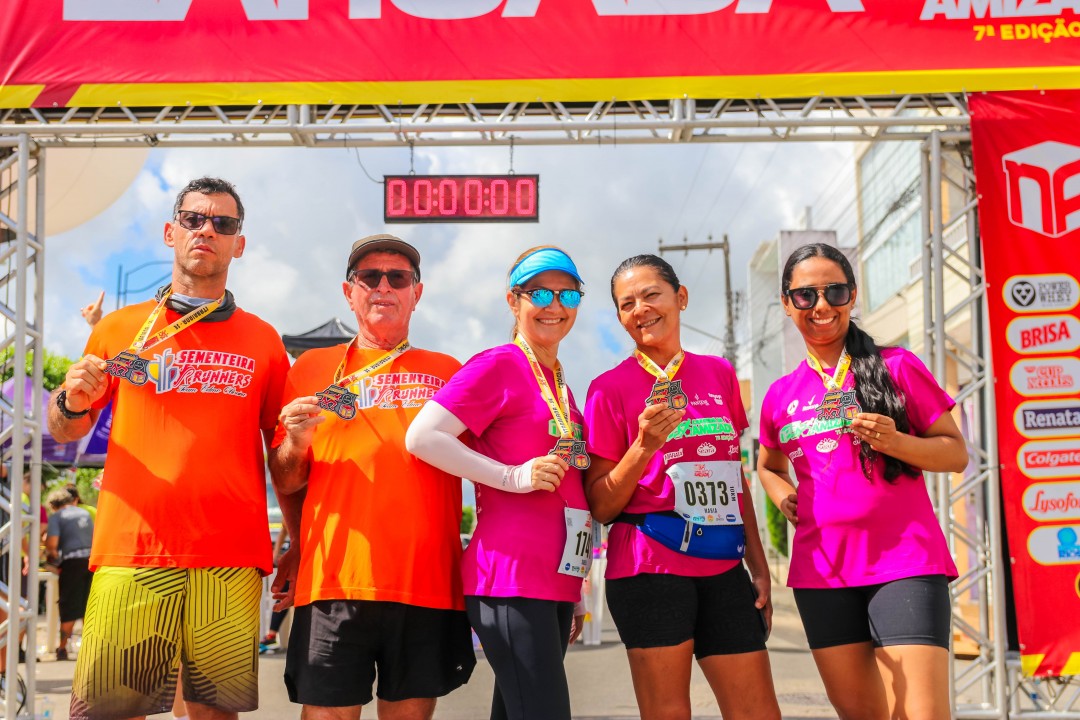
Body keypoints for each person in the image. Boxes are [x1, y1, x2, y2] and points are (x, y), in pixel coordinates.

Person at [47, 176, 290, 720]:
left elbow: (283, 454)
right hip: (131, 551)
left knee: (213, 714)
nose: (207, 230)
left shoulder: (264, 340)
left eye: (223, 223)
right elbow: (65, 429)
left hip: (229, 554)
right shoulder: (118, 328)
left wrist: (296, 538)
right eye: (193, 219)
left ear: (239, 243)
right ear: (169, 232)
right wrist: (69, 401)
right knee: (109, 712)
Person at [756, 243, 966, 720]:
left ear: (852, 295)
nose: (822, 305)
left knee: (921, 715)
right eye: (806, 295)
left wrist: (895, 441)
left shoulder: (898, 366)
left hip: (904, 563)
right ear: (787, 303)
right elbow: (768, 466)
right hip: (822, 572)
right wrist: (784, 497)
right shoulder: (780, 395)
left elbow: (955, 454)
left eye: (835, 291)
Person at [270, 233, 475, 720]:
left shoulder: (450, 371)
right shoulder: (311, 368)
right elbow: (287, 479)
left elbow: (487, 470)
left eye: (397, 277)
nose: (384, 286)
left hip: (425, 580)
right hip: (334, 580)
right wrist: (295, 442)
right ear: (350, 292)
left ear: (416, 293)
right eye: (369, 277)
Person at [582, 254, 780, 720]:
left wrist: (758, 564)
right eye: (627, 303)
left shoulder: (719, 373)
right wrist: (644, 446)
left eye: (651, 294)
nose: (641, 309)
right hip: (648, 566)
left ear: (681, 297)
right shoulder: (607, 389)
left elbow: (735, 477)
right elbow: (601, 505)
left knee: (758, 712)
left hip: (722, 564)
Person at [407, 245, 590, 720]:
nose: (555, 305)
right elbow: (422, 437)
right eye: (540, 293)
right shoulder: (499, 364)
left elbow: (570, 491)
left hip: (555, 581)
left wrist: (575, 586)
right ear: (513, 301)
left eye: (568, 295)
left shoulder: (561, 385)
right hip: (510, 578)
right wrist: (512, 476)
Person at [44, 488, 95, 661]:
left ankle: (62, 648)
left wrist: (50, 554)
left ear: (53, 505)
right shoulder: (84, 513)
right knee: (89, 605)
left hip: (71, 564)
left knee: (69, 605)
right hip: (91, 562)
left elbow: (52, 544)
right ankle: (90, 647)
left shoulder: (57, 517)